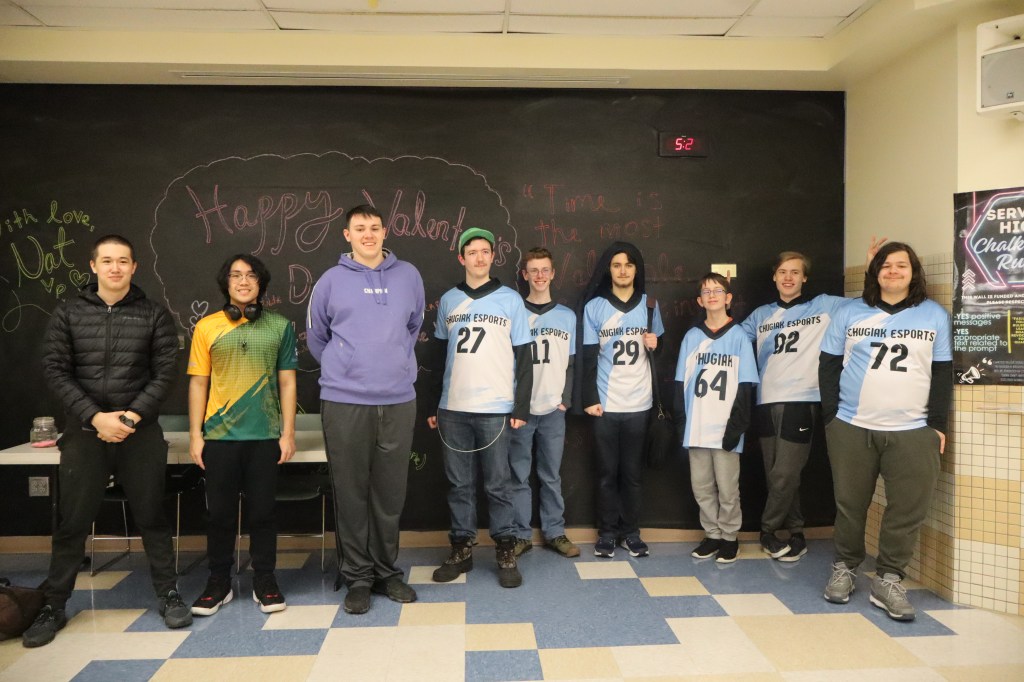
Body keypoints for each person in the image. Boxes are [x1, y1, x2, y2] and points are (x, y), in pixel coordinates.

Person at [26, 234, 190, 648]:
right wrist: (95, 417)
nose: (115, 268)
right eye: (107, 261)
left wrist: (129, 417)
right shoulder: (68, 313)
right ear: (93, 266)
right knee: (72, 524)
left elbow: (166, 372)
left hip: (139, 433)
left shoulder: (154, 314)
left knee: (152, 518)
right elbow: (55, 370)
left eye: (123, 261)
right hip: (85, 433)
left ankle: (169, 595)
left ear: (134, 267)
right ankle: (53, 605)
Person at [819, 241, 952, 621]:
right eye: (886, 265)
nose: (893, 271)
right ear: (875, 271)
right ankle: (845, 567)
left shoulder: (933, 315)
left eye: (901, 265)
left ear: (914, 272)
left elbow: (942, 372)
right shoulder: (849, 312)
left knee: (906, 509)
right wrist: (832, 417)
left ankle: (889, 579)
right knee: (850, 504)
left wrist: (936, 426)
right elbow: (828, 365)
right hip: (852, 426)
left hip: (913, 430)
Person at [306, 204, 425, 615]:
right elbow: (316, 336)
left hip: (398, 399)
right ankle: (357, 577)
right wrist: (347, 368)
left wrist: (393, 364)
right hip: (345, 401)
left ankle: (387, 572)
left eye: (374, 227)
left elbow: (414, 325)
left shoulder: (408, 275)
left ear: (385, 231)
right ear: (347, 235)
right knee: (351, 491)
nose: (368, 234)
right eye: (360, 229)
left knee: (389, 493)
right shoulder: (330, 281)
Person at [187, 253, 297, 617]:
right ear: (226, 283)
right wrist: (195, 435)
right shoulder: (206, 327)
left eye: (251, 275)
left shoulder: (280, 326)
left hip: (265, 435)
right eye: (236, 275)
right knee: (219, 515)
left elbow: (287, 381)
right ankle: (218, 582)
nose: (244, 281)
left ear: (260, 283)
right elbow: (198, 383)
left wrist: (288, 433)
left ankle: (264, 579)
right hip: (219, 437)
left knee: (263, 513)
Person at [427, 227, 533, 588]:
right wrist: (433, 404)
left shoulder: (510, 300)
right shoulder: (448, 300)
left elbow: (525, 357)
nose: (479, 257)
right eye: (471, 252)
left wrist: (521, 407)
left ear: (493, 256)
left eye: (485, 251)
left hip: (496, 407)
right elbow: (437, 355)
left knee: (498, 484)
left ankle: (505, 549)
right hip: (453, 407)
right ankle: (462, 549)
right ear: (462, 258)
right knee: (459, 484)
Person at [739, 252, 849, 562]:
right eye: (783, 272)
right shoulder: (760, 315)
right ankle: (797, 530)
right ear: (774, 277)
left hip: (802, 400)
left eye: (795, 272)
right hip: (765, 400)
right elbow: (732, 339)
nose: (788, 277)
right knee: (776, 474)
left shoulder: (824, 306)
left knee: (785, 474)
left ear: (804, 278)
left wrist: (871, 268)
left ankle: (767, 530)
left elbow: (864, 305)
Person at [579, 241, 662, 559]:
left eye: (629, 264)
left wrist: (657, 344)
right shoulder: (595, 307)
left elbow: (658, 350)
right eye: (616, 265)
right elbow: (588, 357)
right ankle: (607, 533)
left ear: (636, 269)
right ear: (608, 270)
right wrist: (589, 398)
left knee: (632, 475)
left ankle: (632, 533)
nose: (623, 270)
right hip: (606, 403)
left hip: (639, 403)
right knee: (606, 474)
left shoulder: (650, 305)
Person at [675, 273, 759, 564]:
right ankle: (711, 534)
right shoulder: (692, 337)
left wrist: (737, 427)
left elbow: (746, 386)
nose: (712, 295)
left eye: (718, 290)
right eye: (706, 291)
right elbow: (680, 383)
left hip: (725, 428)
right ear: (700, 301)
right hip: (697, 427)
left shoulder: (738, 337)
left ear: (728, 298)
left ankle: (729, 537)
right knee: (701, 487)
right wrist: (681, 423)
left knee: (727, 488)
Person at [508, 247, 580, 559]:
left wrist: (565, 400)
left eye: (545, 270)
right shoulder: (514, 313)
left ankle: (554, 532)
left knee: (551, 474)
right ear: (525, 275)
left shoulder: (567, 316)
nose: (539, 276)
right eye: (533, 270)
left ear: (553, 274)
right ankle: (520, 534)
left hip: (553, 409)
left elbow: (572, 363)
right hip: (521, 410)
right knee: (518, 475)